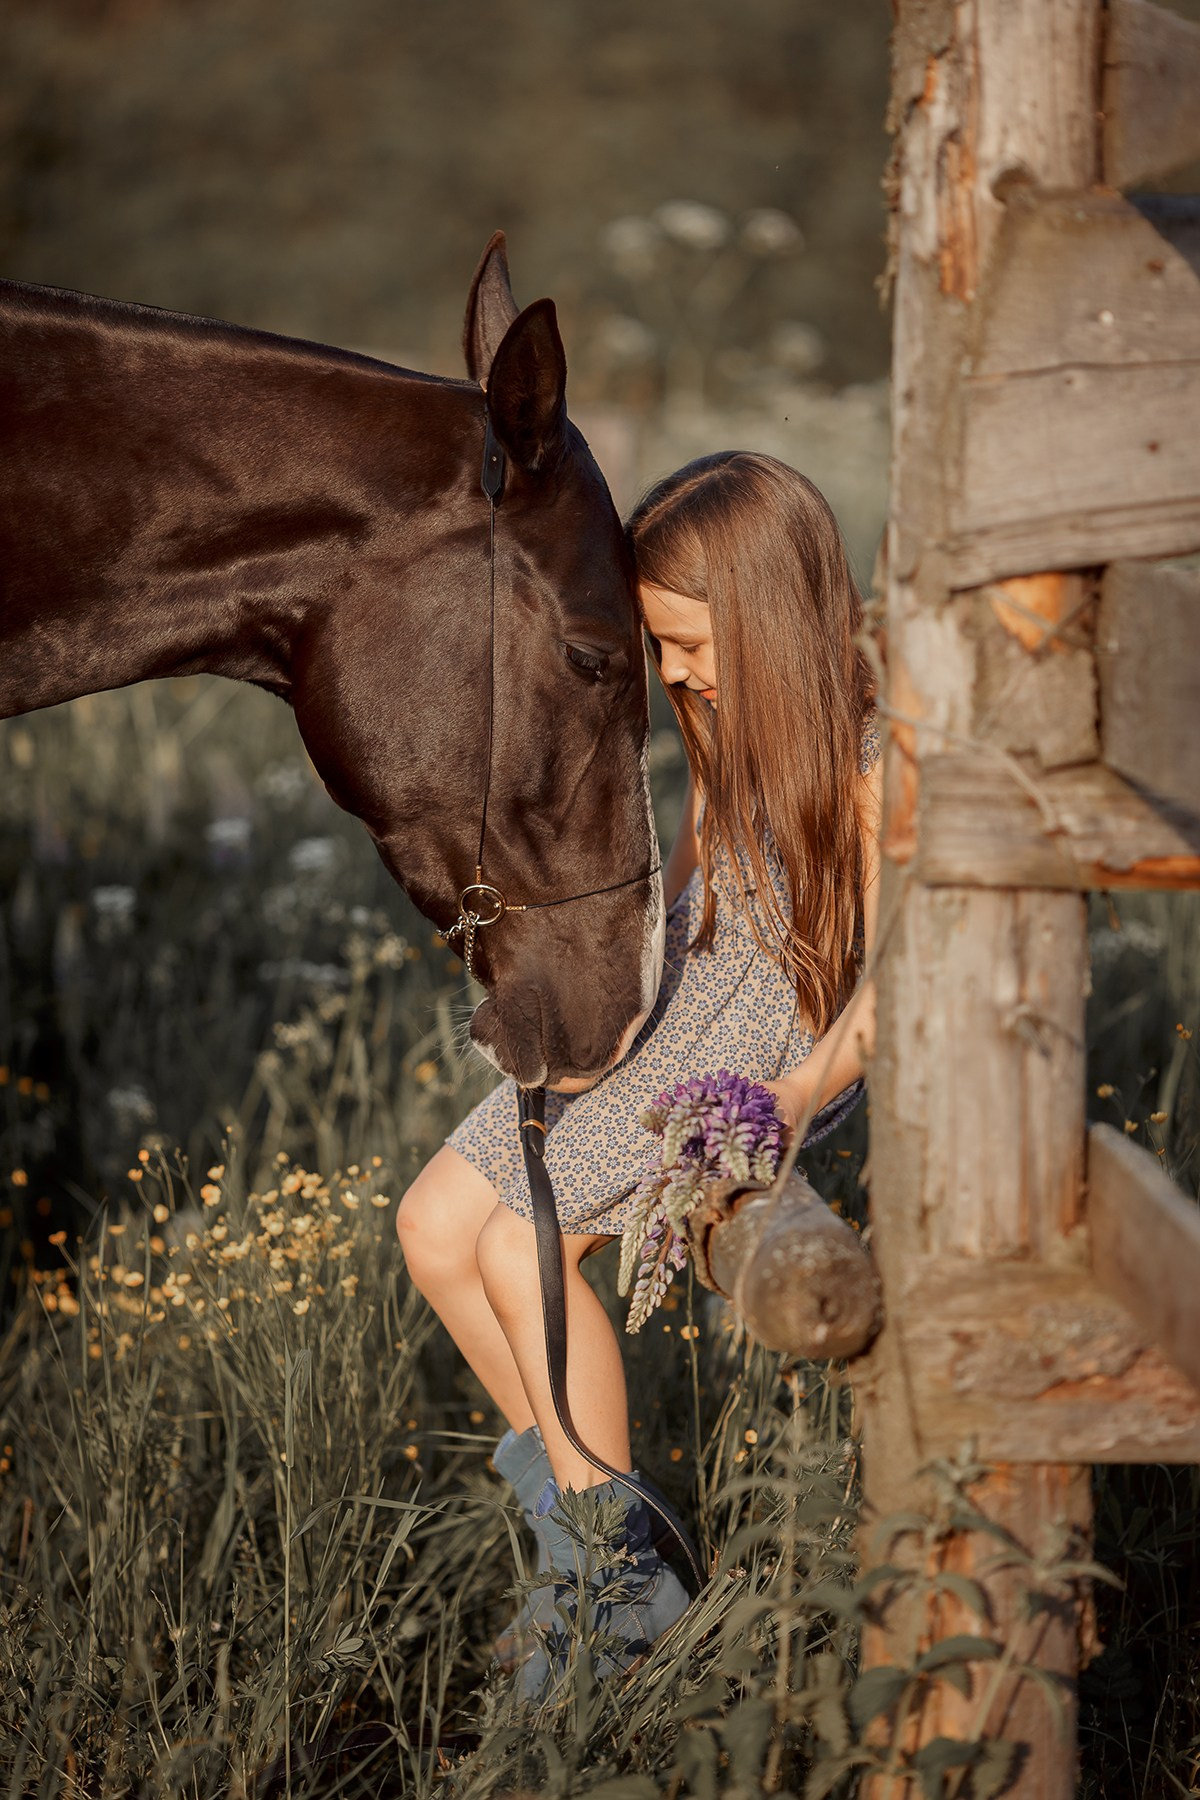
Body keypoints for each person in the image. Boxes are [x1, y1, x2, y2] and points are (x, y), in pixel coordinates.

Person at [395, 451, 882, 1699]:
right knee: (436, 1226)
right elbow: (692, 883)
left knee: (523, 1249)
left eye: (684, 641)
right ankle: (597, 1540)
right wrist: (605, 996)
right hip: (680, 1011)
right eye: (657, 645)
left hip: (773, 1055)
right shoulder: (728, 714)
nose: (669, 674)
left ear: (764, 617)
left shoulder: (878, 756)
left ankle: (610, 1599)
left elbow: (897, 983)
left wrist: (792, 1099)